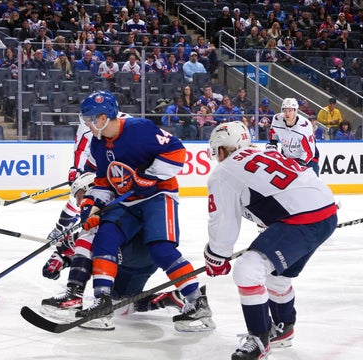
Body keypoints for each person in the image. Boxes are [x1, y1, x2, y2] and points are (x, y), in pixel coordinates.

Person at [73, 91, 214, 332]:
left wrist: (150, 175)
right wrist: (91, 208)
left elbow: (177, 152)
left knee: (161, 248)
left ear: (104, 116)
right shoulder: (97, 145)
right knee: (105, 236)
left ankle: (196, 301)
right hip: (127, 202)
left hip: (158, 196)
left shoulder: (140, 129)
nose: (86, 123)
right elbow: (104, 183)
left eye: (90, 118)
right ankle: (103, 302)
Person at [204, 121, 337, 359]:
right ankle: (284, 327)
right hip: (325, 212)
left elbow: (223, 221)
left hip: (301, 220)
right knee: (277, 276)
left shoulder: (223, 172)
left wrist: (217, 256)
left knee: (248, 269)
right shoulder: (264, 153)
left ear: (222, 150)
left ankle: (259, 338)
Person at [39, 172, 185, 330]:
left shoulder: (108, 204)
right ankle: (170, 298)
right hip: (139, 261)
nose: (79, 202)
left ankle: (73, 295)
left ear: (90, 189)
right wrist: (64, 256)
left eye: (80, 196)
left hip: (132, 249)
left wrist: (63, 253)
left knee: (87, 234)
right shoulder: (115, 202)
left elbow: (92, 239)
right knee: (120, 305)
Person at [267, 98, 320, 175]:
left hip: (309, 159)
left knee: (310, 184)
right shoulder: (277, 119)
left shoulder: (304, 126)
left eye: (290, 110)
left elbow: (309, 152)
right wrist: (273, 143)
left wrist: (300, 165)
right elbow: (273, 133)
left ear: (295, 111)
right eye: (285, 110)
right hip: (288, 156)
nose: (287, 113)